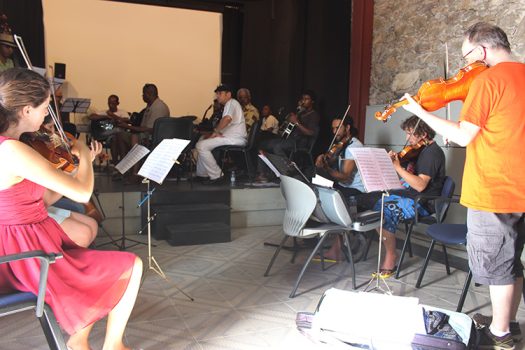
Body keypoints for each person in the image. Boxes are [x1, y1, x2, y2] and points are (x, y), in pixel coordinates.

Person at [402, 22, 525, 349]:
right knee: (511, 260)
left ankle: (499, 335)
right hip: (521, 189)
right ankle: (508, 321)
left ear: (482, 51)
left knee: (496, 266)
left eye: (468, 55)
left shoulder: (488, 79)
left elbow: (462, 135)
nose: (465, 65)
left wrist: (420, 112)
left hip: (493, 189)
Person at [0, 68, 142, 350]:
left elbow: (41, 200)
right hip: (26, 254)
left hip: (31, 238)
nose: (46, 115)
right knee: (131, 264)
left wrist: (74, 168)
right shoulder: (12, 151)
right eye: (44, 108)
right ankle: (112, 345)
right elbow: (83, 193)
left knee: (94, 268)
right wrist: (85, 156)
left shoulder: (14, 147)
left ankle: (81, 341)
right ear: (27, 110)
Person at [372, 115, 445, 279]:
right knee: (377, 202)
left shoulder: (432, 153)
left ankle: (391, 256)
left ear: (423, 134)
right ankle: (390, 250)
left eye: (410, 134)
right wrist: (395, 161)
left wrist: (398, 167)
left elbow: (420, 185)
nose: (407, 138)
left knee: (385, 210)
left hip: (424, 202)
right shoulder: (420, 150)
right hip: (412, 196)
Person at [314, 116, 365, 260]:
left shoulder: (354, 146)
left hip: (356, 189)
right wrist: (323, 158)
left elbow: (345, 176)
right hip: (343, 186)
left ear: (347, 128)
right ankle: (322, 239)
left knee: (332, 200)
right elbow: (332, 159)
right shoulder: (342, 145)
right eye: (333, 128)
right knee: (317, 190)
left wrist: (327, 168)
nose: (334, 131)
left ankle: (336, 249)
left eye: (338, 128)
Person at [257, 90, 320, 181]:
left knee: (277, 147)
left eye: (306, 99)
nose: (303, 101)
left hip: (300, 142)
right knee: (262, 144)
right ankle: (263, 173)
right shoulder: (300, 113)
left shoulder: (314, 115)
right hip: (290, 140)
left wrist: (296, 122)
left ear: (312, 101)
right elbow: (288, 131)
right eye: (302, 99)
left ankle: (287, 172)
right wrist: (288, 123)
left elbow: (311, 133)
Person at [116, 83, 170, 183]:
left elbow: (149, 129)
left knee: (134, 137)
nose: (142, 97)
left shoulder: (158, 107)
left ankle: (135, 173)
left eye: (143, 94)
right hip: (146, 135)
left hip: (154, 138)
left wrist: (127, 126)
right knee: (120, 135)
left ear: (149, 94)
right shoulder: (150, 106)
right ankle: (124, 169)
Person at [195, 84, 247, 184]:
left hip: (235, 139)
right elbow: (229, 123)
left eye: (220, 93)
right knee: (203, 140)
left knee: (201, 145)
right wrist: (217, 133)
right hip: (231, 137)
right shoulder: (230, 104)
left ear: (228, 94)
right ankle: (202, 175)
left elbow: (227, 119)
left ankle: (216, 175)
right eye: (217, 94)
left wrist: (216, 132)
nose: (217, 96)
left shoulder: (231, 103)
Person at [88, 94, 130, 166]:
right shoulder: (104, 112)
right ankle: (118, 163)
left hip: (117, 137)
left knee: (116, 136)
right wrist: (106, 116)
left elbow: (127, 121)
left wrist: (113, 116)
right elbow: (91, 117)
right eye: (109, 103)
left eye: (113, 103)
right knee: (117, 132)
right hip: (104, 135)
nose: (111, 105)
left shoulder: (122, 112)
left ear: (117, 103)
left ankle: (118, 163)